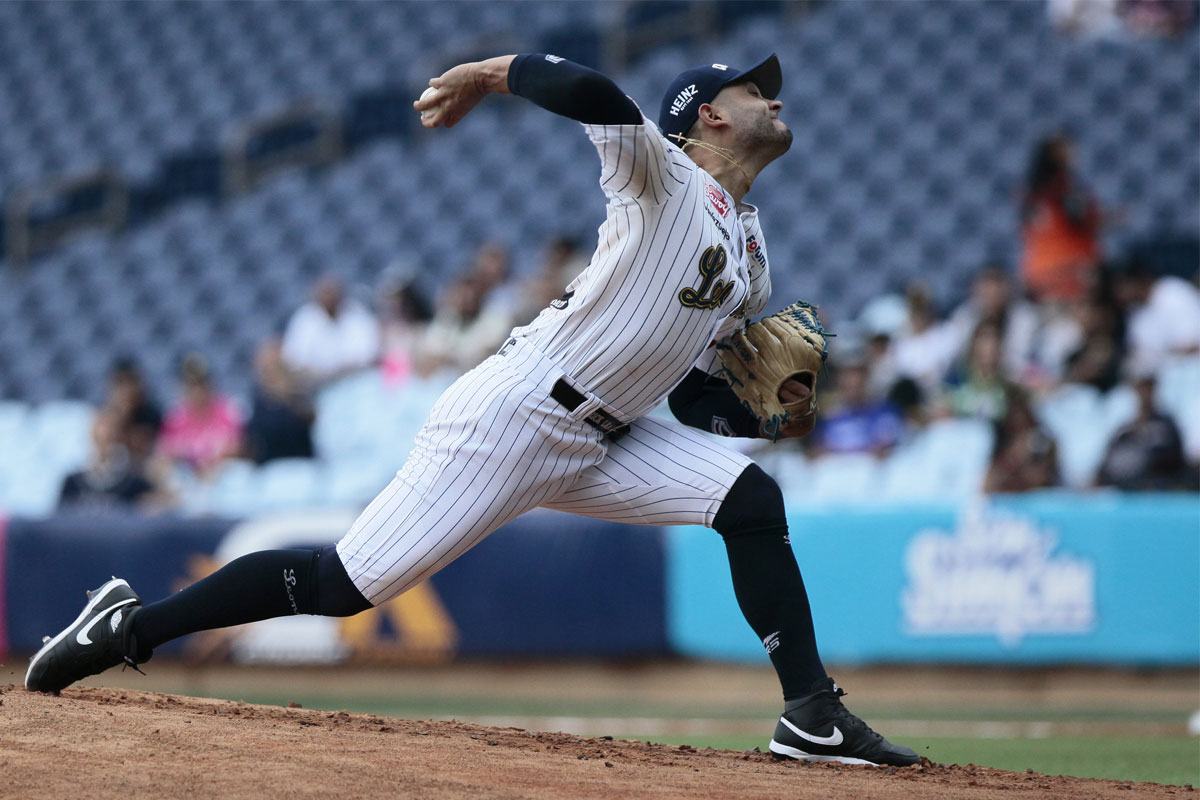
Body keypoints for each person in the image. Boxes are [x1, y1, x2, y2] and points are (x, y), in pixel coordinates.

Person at [26, 52, 918, 767]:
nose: (772, 95)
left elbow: (687, 388)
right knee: (341, 586)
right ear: (709, 114)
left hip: (610, 435)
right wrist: (490, 75)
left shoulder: (751, 252)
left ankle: (811, 716)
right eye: (752, 88)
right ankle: (129, 626)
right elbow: (597, 93)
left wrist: (755, 414)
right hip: (517, 416)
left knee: (751, 501)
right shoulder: (664, 177)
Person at [1018, 134, 1108, 303]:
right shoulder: (1063, 188)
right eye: (1066, 147)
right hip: (1070, 270)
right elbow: (1082, 221)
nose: (1073, 152)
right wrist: (1111, 219)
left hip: (1038, 272)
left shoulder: (1030, 192)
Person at [1095, 370, 1194, 491]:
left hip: (1155, 491)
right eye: (1141, 388)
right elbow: (1108, 462)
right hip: (1122, 491)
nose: (1145, 393)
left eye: (1148, 388)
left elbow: (1173, 460)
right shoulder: (1124, 429)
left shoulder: (1166, 426)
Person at [281, 274, 380, 389]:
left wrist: (339, 371)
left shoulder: (357, 314)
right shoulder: (305, 318)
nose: (329, 298)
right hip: (317, 386)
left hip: (357, 382)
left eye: (332, 293)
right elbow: (294, 361)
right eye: (325, 294)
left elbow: (369, 354)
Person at [158, 353, 244, 478]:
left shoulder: (228, 411)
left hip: (220, 478)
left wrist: (213, 464)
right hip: (187, 480)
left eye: (200, 384)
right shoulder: (175, 417)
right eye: (191, 385)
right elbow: (164, 454)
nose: (197, 391)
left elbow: (238, 448)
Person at [58, 410, 159, 512]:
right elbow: (61, 517)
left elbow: (154, 509)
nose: (104, 445)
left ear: (119, 438)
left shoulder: (135, 481)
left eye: (109, 439)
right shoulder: (72, 482)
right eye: (100, 439)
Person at [244, 339, 316, 465]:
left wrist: (287, 394)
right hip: (269, 469)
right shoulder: (257, 401)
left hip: (302, 465)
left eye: (275, 365)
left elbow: (309, 419)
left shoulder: (300, 394)